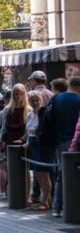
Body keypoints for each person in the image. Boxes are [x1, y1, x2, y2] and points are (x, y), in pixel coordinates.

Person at [51, 77, 80, 217]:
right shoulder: (78, 100)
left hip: (58, 140)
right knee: (72, 174)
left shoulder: (57, 99)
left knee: (60, 173)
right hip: (74, 141)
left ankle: (57, 206)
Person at [0, 85, 28, 200]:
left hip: (22, 142)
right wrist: (0, 140)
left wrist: (23, 139)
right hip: (9, 141)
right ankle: (5, 190)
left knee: (24, 168)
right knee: (6, 166)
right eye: (16, 94)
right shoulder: (7, 110)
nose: (18, 96)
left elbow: (29, 129)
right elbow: (4, 128)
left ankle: (25, 194)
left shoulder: (27, 110)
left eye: (20, 94)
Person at [25, 91, 53, 211]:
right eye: (32, 100)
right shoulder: (30, 114)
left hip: (41, 145)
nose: (34, 102)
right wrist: (26, 142)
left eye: (37, 100)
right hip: (32, 145)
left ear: (41, 100)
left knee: (44, 174)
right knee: (37, 174)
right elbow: (28, 132)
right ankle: (47, 199)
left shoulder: (44, 113)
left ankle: (45, 201)